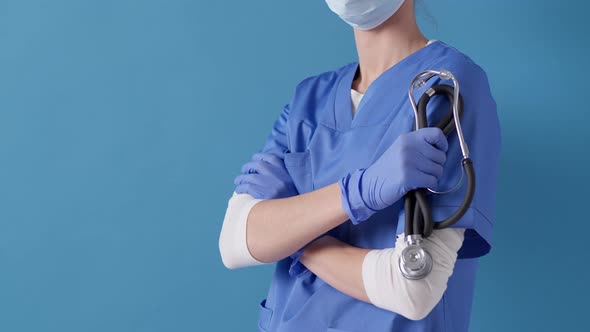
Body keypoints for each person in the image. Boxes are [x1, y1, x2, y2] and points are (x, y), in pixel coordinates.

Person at [218, 0, 501, 331]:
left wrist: (292, 235)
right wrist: (361, 190)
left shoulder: (446, 86)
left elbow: (412, 287)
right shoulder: (309, 99)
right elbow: (235, 242)